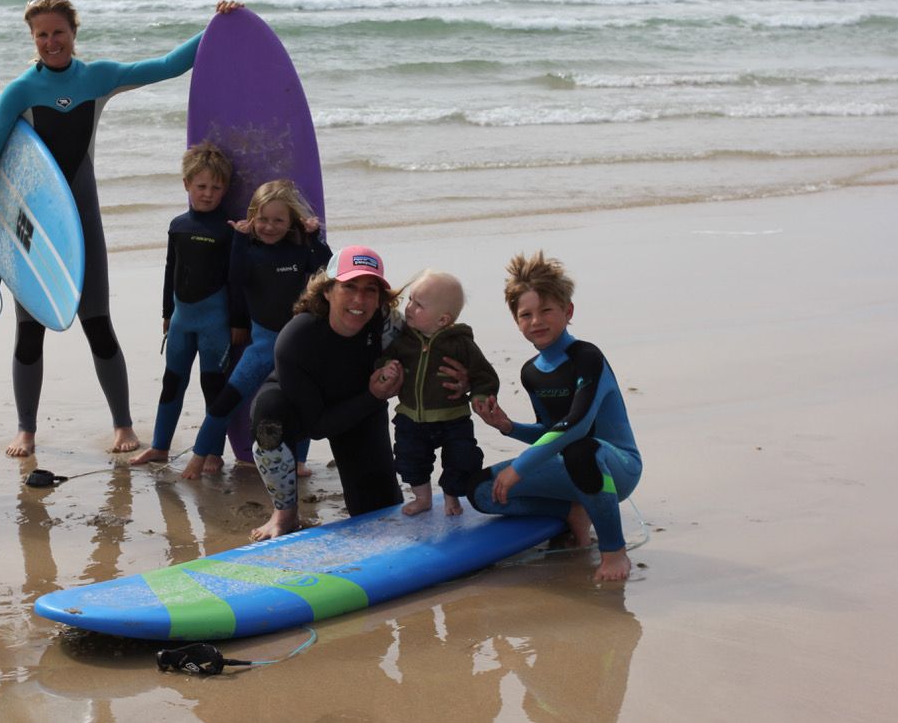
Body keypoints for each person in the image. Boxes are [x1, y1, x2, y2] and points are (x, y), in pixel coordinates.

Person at [0, 0, 241, 456]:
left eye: (58, 32)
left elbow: (169, 65)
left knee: (98, 321)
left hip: (82, 219)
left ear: (74, 32)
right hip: (33, 225)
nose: (51, 41)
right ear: (32, 39)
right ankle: (27, 430)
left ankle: (122, 425)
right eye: (42, 34)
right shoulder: (18, 92)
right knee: (29, 327)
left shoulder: (98, 78)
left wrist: (220, 25)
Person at [248, 246, 470, 541]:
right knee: (268, 416)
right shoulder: (297, 338)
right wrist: (374, 397)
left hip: (360, 410)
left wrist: (465, 378)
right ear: (327, 291)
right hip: (303, 410)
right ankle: (284, 514)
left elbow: (438, 345)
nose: (359, 300)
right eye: (348, 287)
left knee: (378, 512)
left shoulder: (387, 325)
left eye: (370, 290)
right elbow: (317, 427)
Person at [470, 251, 642, 582]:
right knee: (480, 492)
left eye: (547, 310)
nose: (537, 321)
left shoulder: (587, 358)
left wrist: (519, 469)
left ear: (568, 311)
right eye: (526, 314)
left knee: (581, 451)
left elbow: (576, 426)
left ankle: (613, 551)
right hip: (571, 466)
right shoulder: (531, 372)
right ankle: (574, 512)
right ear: (516, 321)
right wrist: (509, 427)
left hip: (616, 468)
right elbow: (551, 433)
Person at [179, 180, 330, 479]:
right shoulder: (247, 251)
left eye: (278, 220)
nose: (269, 226)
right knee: (226, 402)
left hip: (297, 347)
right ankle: (198, 457)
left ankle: (299, 461)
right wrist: (239, 239)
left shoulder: (299, 252)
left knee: (302, 404)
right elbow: (234, 278)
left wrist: (315, 237)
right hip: (261, 345)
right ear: (252, 218)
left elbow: (325, 270)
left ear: (291, 222)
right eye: (262, 219)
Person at [128, 142, 235, 467]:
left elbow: (237, 281)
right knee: (172, 382)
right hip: (180, 320)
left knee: (212, 388)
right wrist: (166, 312)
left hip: (215, 323)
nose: (208, 194)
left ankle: (213, 453)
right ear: (186, 184)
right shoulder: (178, 226)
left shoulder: (229, 230)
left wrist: (239, 322)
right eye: (201, 186)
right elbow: (170, 269)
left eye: (216, 188)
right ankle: (160, 447)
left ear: (225, 189)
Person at [380, 270, 499, 516]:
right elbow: (383, 359)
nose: (409, 307)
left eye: (419, 305)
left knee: (463, 458)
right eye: (410, 300)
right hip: (411, 418)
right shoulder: (403, 339)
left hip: (453, 418)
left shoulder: (460, 343)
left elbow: (484, 375)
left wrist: (479, 396)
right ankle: (423, 498)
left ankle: (451, 496)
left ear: (443, 320)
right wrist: (385, 369)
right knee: (409, 459)